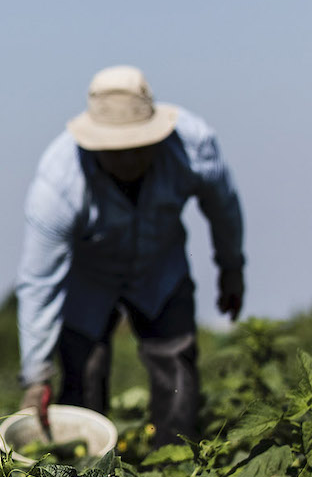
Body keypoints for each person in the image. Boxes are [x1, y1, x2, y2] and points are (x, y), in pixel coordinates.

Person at [16, 65, 245, 447]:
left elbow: (224, 208)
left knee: (176, 368)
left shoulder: (193, 146)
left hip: (161, 268)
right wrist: (36, 376)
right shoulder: (58, 183)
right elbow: (38, 282)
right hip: (89, 278)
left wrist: (231, 268)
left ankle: (177, 472)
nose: (127, 160)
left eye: (137, 147)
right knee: (83, 374)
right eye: (114, 151)